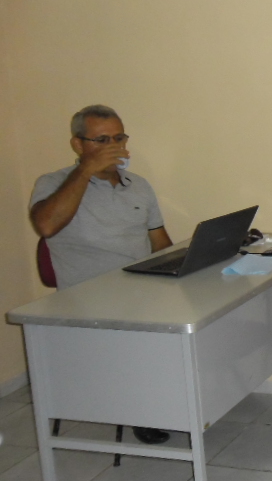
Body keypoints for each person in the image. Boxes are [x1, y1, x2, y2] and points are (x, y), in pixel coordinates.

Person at [29, 105, 174, 445]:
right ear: (78, 144)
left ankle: (180, 402)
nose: (114, 146)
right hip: (89, 301)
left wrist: (183, 268)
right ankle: (144, 409)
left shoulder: (139, 186)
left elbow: (160, 244)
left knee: (203, 315)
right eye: (102, 140)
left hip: (141, 293)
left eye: (119, 138)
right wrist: (85, 171)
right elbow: (46, 225)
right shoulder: (52, 183)